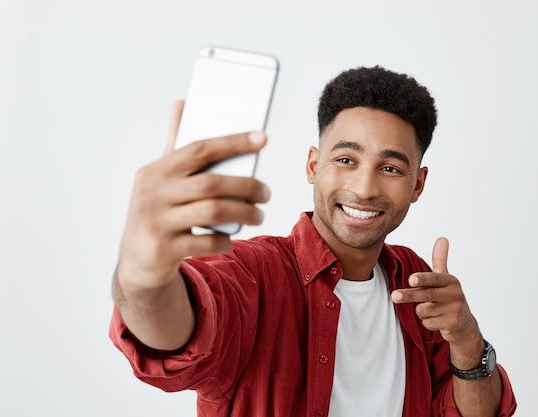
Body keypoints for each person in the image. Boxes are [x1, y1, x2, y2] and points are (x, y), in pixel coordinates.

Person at [110, 66, 517, 417]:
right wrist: (143, 271)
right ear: (312, 165)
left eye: (390, 167)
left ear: (418, 185)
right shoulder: (253, 273)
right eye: (345, 160)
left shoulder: (415, 281)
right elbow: (173, 335)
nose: (364, 186)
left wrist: (466, 340)